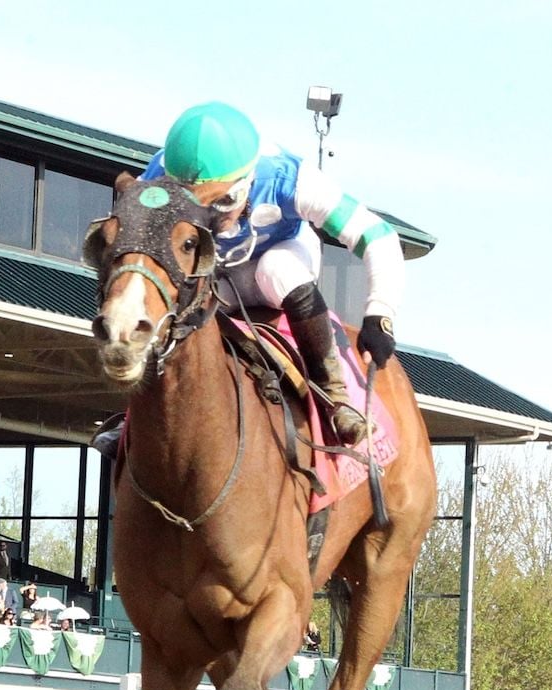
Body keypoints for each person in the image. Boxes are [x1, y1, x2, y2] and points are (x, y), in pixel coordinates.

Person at [94, 101, 403, 455]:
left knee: (277, 270)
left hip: (282, 255)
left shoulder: (289, 176)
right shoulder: (157, 177)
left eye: (223, 202)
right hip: (216, 273)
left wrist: (380, 312)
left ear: (249, 179)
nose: (214, 216)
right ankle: (137, 417)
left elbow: (376, 234)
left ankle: (333, 395)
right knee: (173, 298)